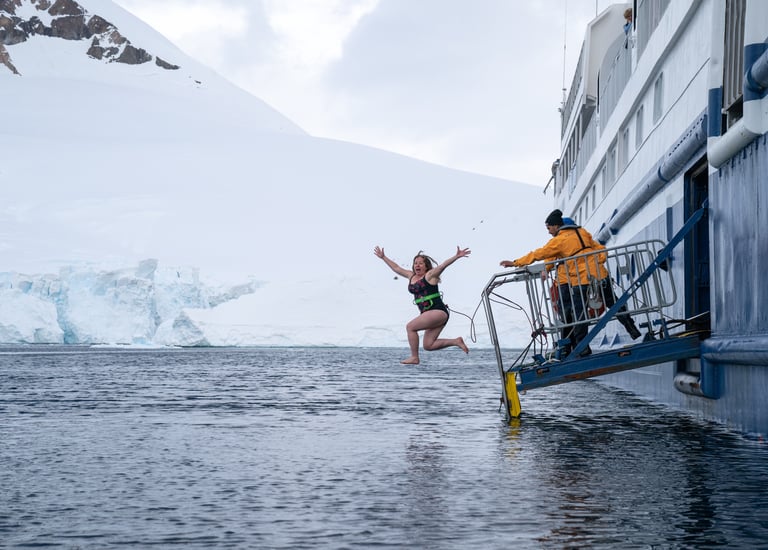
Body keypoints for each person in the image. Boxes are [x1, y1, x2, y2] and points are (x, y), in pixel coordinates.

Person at [500, 209, 640, 358]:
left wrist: (516, 263)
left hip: (580, 280)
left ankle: (582, 348)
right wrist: (599, 260)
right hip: (600, 275)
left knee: (580, 315)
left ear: (555, 226)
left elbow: (538, 254)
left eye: (548, 228)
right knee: (614, 304)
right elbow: (599, 248)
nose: (548, 232)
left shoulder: (559, 241)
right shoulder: (582, 232)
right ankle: (633, 330)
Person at [374, 245, 471, 364]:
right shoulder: (411, 276)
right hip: (429, 313)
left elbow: (442, 266)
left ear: (426, 266)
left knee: (410, 327)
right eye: (415, 263)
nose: (417, 265)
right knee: (428, 345)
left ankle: (414, 357)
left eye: (420, 263)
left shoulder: (430, 276)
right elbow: (396, 268)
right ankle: (456, 341)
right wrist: (384, 257)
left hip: (438, 311)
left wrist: (456, 256)